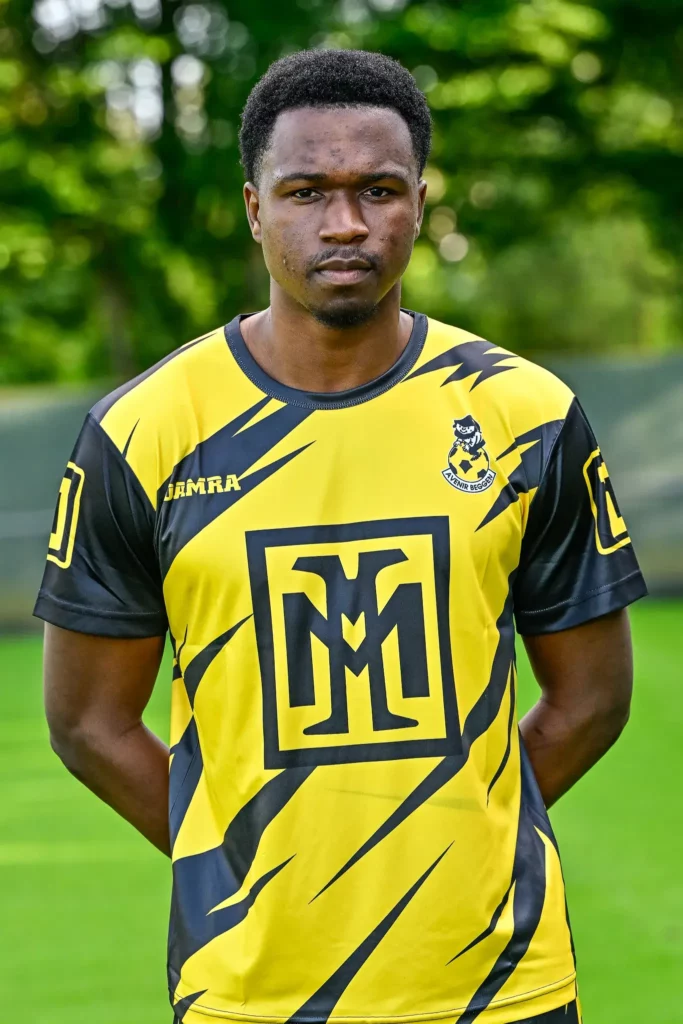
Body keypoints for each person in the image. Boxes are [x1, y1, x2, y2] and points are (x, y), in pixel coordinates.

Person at [35, 48, 646, 1024]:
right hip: (249, 993)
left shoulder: (521, 413)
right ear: (253, 207)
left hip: (495, 989)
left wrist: (458, 837)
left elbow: (591, 697)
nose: (346, 222)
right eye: (306, 190)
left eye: (378, 190)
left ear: (418, 201)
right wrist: (241, 863)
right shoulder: (145, 430)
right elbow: (88, 723)